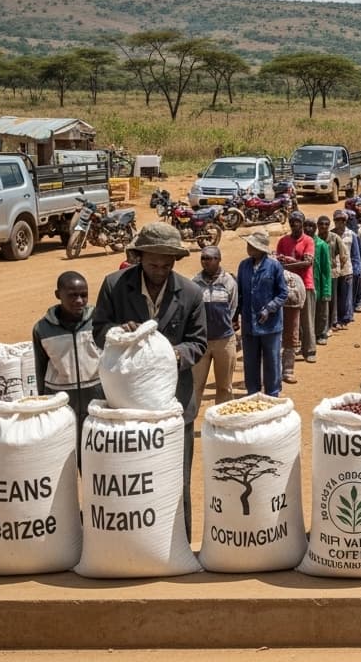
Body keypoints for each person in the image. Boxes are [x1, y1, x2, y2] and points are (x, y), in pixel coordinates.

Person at [92, 222, 208, 534]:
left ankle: (179, 543)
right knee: (132, 480)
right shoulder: (114, 285)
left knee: (176, 477)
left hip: (175, 405)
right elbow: (99, 330)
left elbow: (198, 343)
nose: (159, 271)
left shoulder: (192, 293)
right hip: (126, 408)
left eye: (166, 265)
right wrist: (119, 333)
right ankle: (134, 543)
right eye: (153, 264)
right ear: (138, 257)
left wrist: (169, 356)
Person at [33, 271, 102, 444]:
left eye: (84, 295)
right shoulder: (42, 329)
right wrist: (44, 402)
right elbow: (40, 367)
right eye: (72, 296)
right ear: (58, 295)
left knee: (94, 454)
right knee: (65, 451)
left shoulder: (99, 321)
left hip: (96, 398)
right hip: (61, 402)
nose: (79, 301)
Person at [236, 231, 288, 396]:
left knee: (272, 360)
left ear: (261, 249)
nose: (248, 247)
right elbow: (240, 294)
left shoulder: (274, 266)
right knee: (250, 361)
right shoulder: (243, 266)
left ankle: (273, 393)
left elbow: (283, 294)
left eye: (252, 245)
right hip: (249, 324)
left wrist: (269, 308)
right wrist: (236, 316)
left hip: (270, 325)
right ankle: (253, 393)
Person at [191, 246, 238, 407]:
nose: (205, 262)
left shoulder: (229, 281)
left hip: (224, 341)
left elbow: (232, 307)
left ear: (218, 259)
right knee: (195, 386)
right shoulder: (195, 283)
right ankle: (188, 428)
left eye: (210, 258)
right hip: (200, 342)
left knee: (225, 387)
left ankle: (221, 426)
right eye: (203, 258)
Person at [277, 211, 316, 364]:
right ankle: (290, 349)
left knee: (306, 320)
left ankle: (310, 350)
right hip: (286, 284)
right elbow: (277, 259)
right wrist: (290, 262)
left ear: (302, 222)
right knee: (289, 320)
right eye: (292, 221)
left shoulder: (308, 241)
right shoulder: (283, 240)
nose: (294, 224)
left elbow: (308, 263)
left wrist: (288, 262)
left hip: (305, 284)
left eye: (297, 221)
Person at [312, 216, 341, 345]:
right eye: (321, 224)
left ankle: (324, 331)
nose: (323, 226)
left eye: (326, 224)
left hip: (329, 276)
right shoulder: (310, 242)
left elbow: (343, 255)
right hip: (311, 280)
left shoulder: (329, 240)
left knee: (326, 306)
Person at [331, 210, 356, 329]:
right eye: (337, 221)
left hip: (347, 269)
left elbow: (356, 254)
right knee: (335, 297)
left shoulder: (351, 235)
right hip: (334, 270)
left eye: (343, 221)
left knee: (346, 296)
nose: (340, 223)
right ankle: (335, 320)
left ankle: (345, 319)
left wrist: (358, 269)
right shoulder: (330, 235)